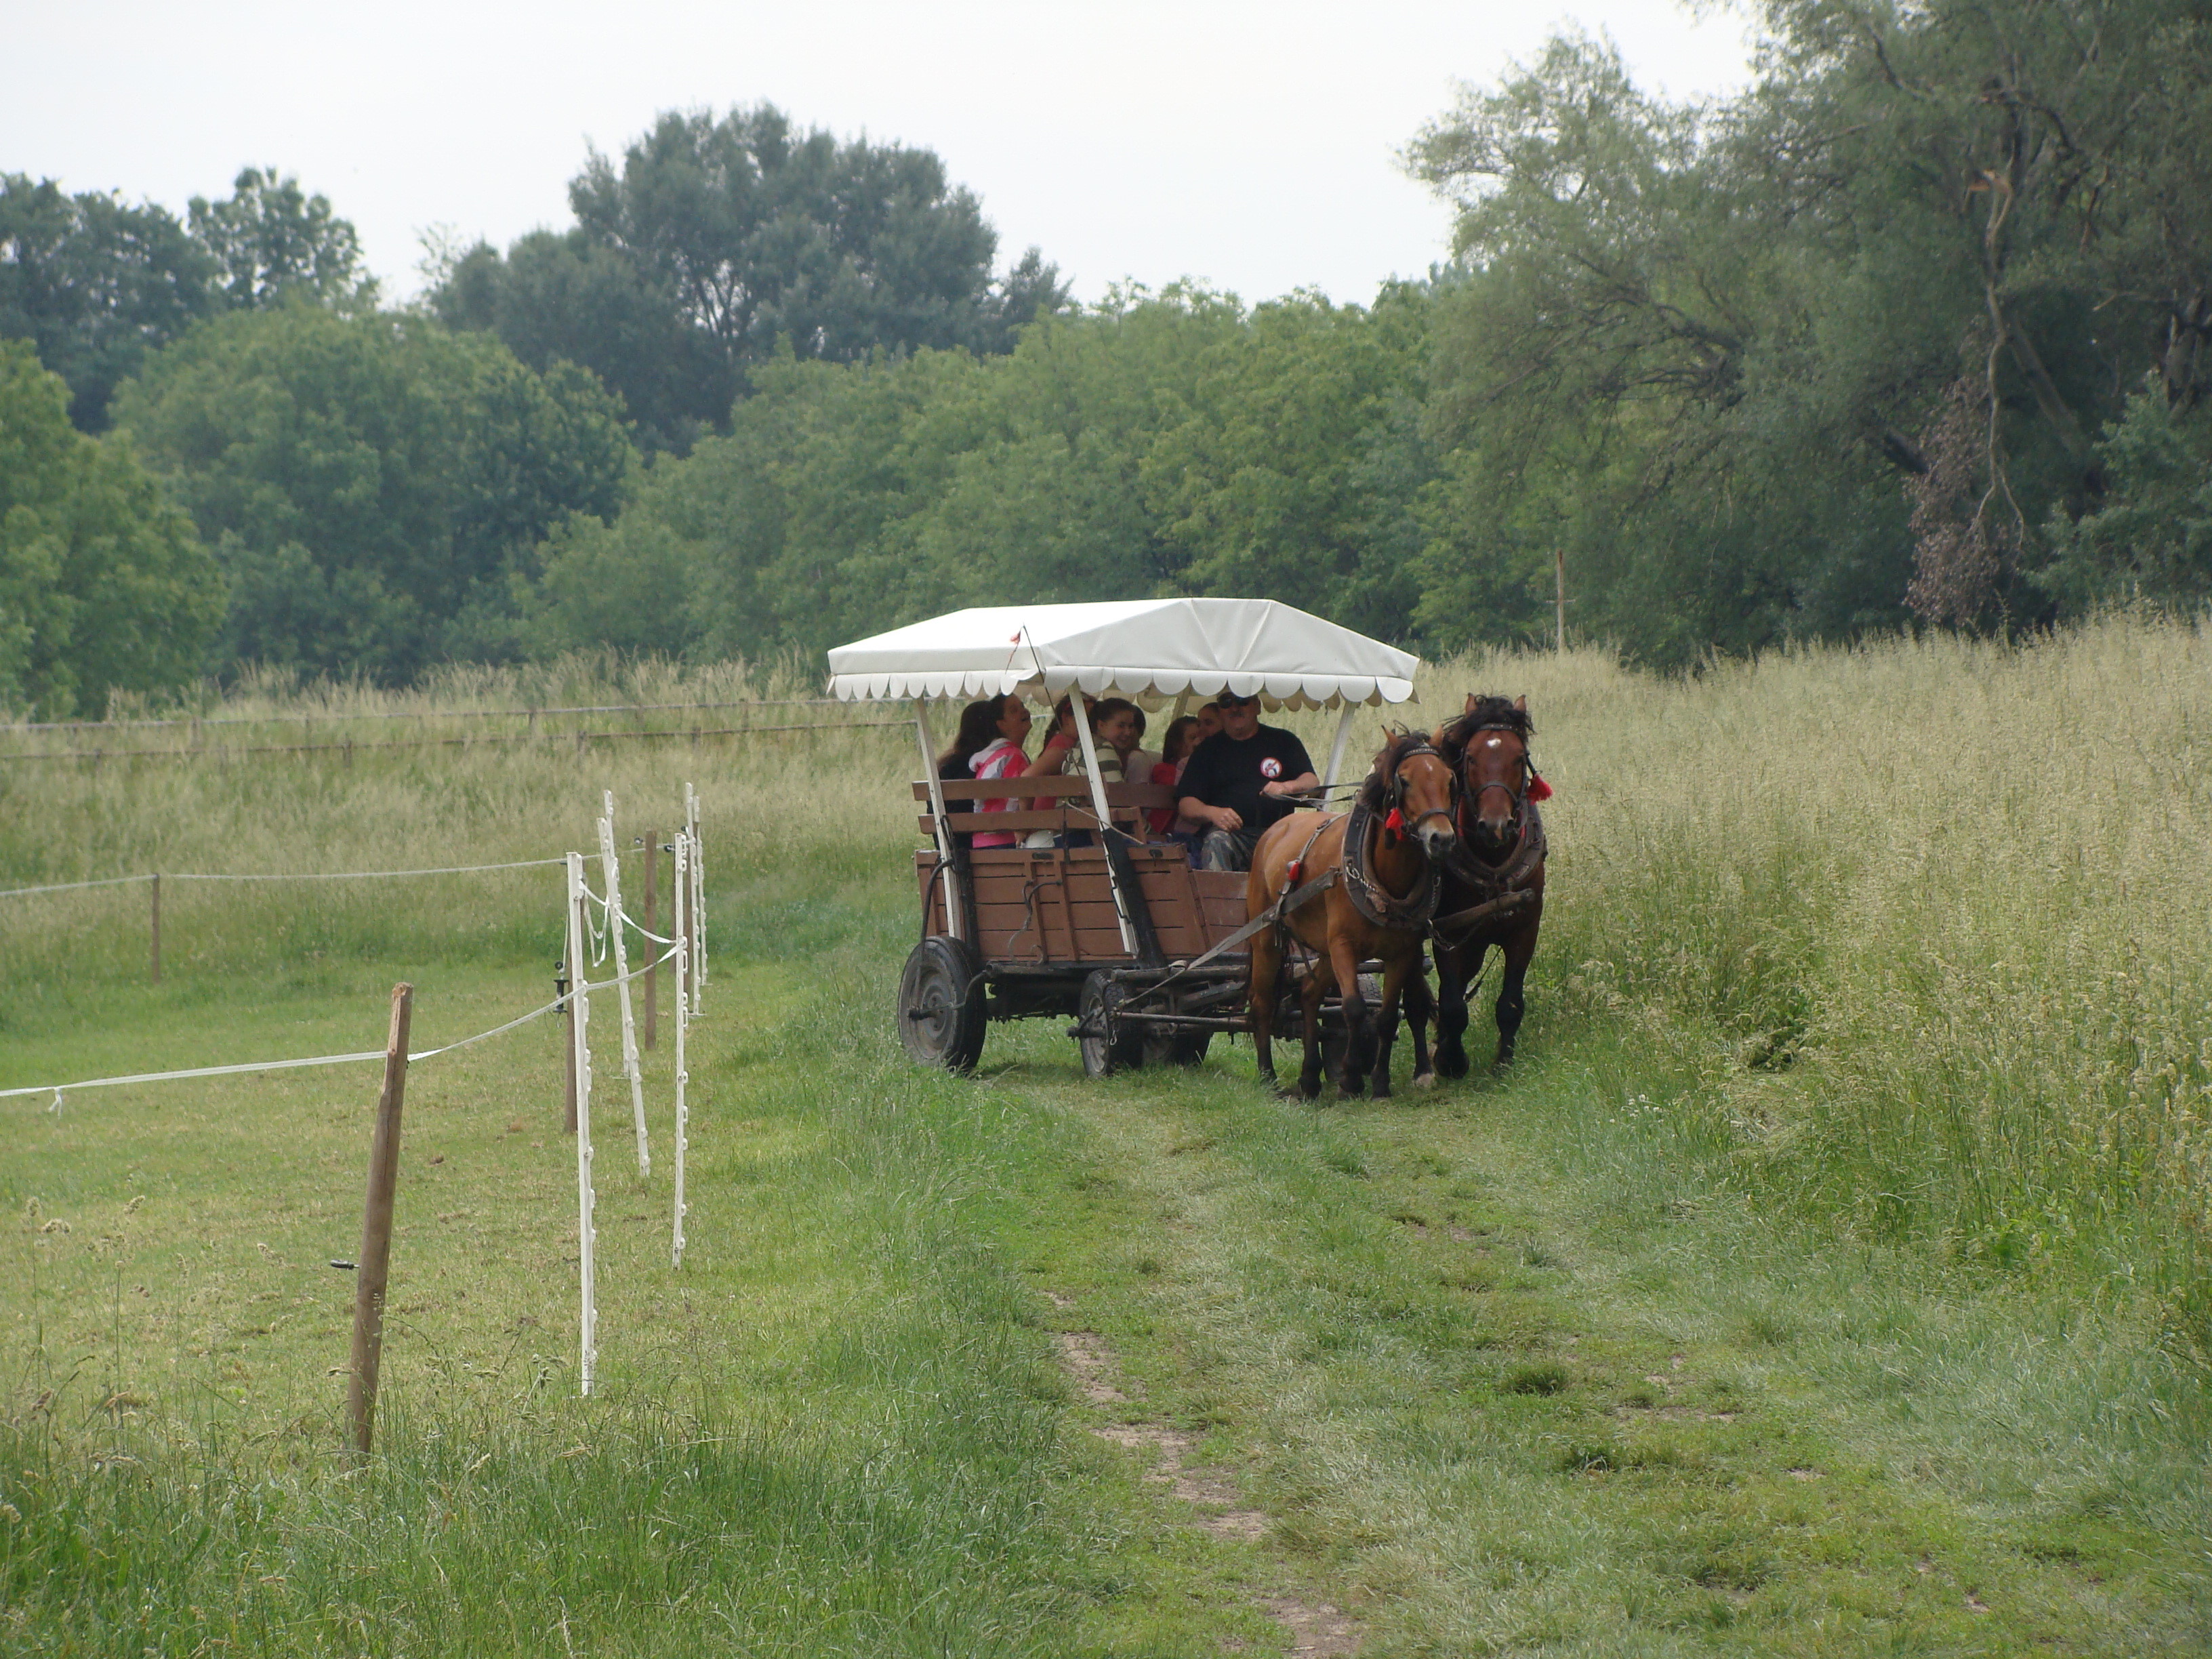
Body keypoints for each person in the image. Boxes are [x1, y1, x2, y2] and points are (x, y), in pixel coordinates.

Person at [1176, 691, 1319, 872]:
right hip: (1231, 837)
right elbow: (1186, 804)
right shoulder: (1208, 750)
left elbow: (1312, 782)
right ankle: (1218, 898)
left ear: (1257, 706)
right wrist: (1212, 813)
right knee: (1216, 841)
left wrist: (1286, 787)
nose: (1234, 708)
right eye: (1226, 703)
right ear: (1220, 711)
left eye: (1243, 701)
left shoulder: (1283, 741)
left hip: (1279, 836)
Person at [947, 694, 1031, 849]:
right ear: (1001, 724)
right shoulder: (1012, 755)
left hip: (975, 843)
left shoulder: (984, 757)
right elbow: (1017, 804)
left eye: (1023, 706)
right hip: (1005, 842)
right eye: (1014, 710)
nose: (1024, 711)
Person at [1147, 715, 1208, 861]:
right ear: (1177, 744)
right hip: (1168, 832)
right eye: (1192, 738)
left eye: (1201, 738)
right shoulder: (1164, 769)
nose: (1198, 742)